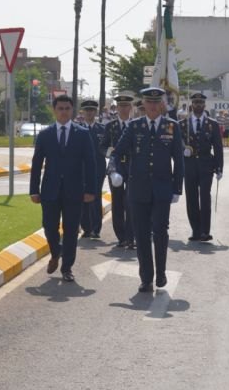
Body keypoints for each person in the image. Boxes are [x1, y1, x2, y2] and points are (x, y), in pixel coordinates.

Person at [109, 87, 184, 292]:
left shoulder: (172, 127)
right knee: (141, 235)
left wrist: (177, 188)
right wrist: (115, 172)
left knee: (160, 232)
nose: (152, 106)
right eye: (148, 102)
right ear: (143, 104)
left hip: (162, 189)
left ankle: (160, 272)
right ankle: (146, 278)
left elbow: (178, 159)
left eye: (155, 102)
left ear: (161, 104)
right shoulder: (134, 127)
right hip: (138, 189)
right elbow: (117, 153)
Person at [29, 94, 97, 282]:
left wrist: (90, 190)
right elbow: (36, 164)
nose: (64, 112)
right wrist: (34, 190)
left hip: (74, 191)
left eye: (67, 109)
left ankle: (67, 267)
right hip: (50, 190)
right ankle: (55, 252)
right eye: (60, 109)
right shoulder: (45, 135)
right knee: (49, 226)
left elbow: (90, 163)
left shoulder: (82, 134)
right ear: (54, 110)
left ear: (72, 110)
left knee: (71, 229)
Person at [179, 92, 224, 242]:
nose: (198, 105)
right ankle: (195, 230)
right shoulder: (183, 124)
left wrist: (219, 167)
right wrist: (182, 150)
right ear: (191, 105)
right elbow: (177, 144)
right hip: (189, 165)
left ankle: (205, 231)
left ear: (205, 105)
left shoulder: (213, 124)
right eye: (195, 102)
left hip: (206, 165)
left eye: (200, 103)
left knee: (205, 197)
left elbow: (218, 147)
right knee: (191, 198)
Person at [102, 93, 135, 249]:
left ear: (130, 107)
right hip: (116, 168)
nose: (123, 109)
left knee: (131, 202)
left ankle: (130, 236)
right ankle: (121, 236)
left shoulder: (135, 125)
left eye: (126, 105)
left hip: (132, 167)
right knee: (117, 203)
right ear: (117, 108)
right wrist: (107, 151)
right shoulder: (110, 126)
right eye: (121, 106)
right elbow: (101, 146)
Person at [78, 99, 107, 239]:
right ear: (82, 112)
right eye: (87, 110)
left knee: (96, 198)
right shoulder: (76, 129)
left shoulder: (102, 129)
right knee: (82, 198)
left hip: (98, 169)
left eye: (92, 110)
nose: (89, 113)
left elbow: (108, 148)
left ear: (96, 112)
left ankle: (96, 228)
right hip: (81, 169)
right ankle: (86, 228)